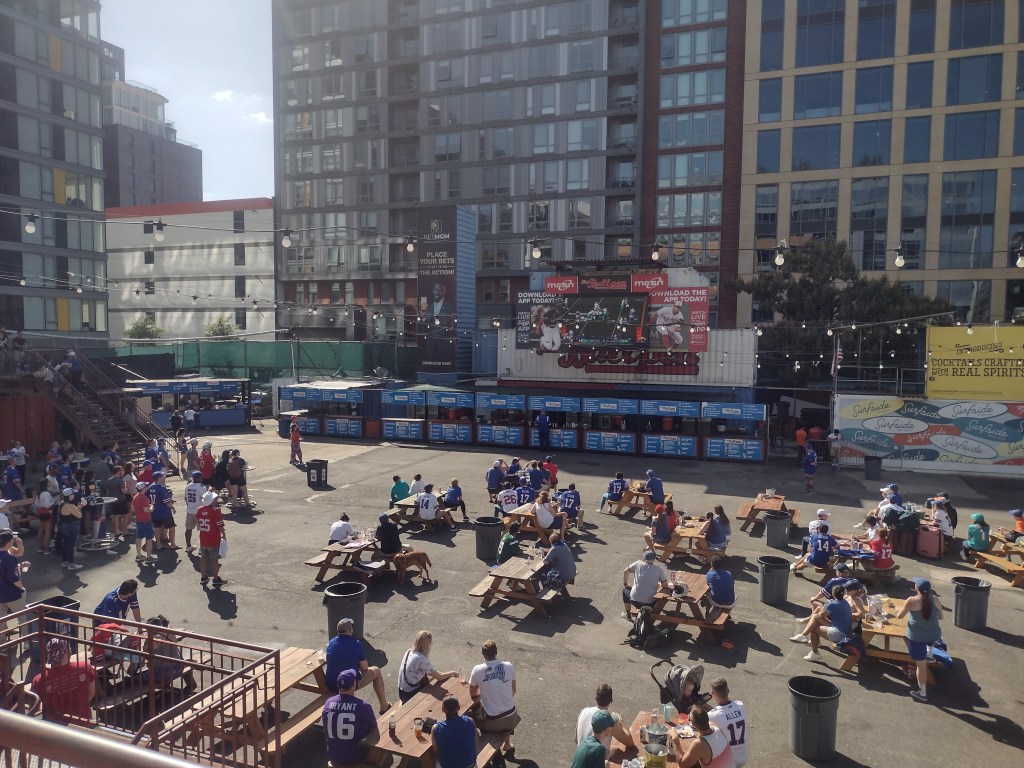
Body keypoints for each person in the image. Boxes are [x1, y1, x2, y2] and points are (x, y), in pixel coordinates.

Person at [325, 618, 391, 714]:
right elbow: (364, 668)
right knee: (376, 670)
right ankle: (384, 706)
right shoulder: (356, 644)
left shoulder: (331, 643)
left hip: (331, 683)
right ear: (350, 630)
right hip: (347, 684)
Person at [31, 637, 97, 726]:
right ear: (67, 651)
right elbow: (91, 692)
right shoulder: (85, 667)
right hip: (83, 723)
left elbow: (35, 706)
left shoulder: (39, 680)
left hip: (55, 726)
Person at [897, 578, 943, 703]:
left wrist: (899, 610)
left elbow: (900, 616)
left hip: (917, 637)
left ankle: (922, 693)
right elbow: (941, 617)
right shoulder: (935, 599)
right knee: (930, 639)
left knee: (921, 666)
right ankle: (929, 654)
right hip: (934, 635)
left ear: (917, 588)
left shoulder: (912, 600)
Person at [469, 640, 520, 752]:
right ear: (496, 652)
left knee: (470, 718)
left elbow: (472, 693)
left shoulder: (477, 669)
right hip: (512, 716)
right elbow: (513, 690)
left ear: (482, 654)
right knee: (505, 712)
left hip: (493, 722)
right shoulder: (509, 666)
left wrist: (486, 692)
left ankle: (486, 747)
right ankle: (507, 744)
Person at [323, 669, 378, 767]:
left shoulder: (328, 703)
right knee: (377, 736)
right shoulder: (363, 706)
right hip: (356, 756)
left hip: (334, 755)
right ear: (354, 684)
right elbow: (374, 727)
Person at [790, 585, 853, 662]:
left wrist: (826, 605)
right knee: (816, 616)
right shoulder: (845, 602)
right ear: (843, 593)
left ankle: (814, 652)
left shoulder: (832, 603)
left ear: (833, 593)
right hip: (846, 631)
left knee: (814, 627)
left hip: (838, 634)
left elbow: (822, 616)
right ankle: (805, 636)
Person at [397, 630, 457, 703]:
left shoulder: (410, 651)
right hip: (409, 694)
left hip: (401, 691)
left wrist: (437, 674)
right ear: (427, 645)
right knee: (439, 694)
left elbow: (433, 672)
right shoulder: (422, 659)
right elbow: (439, 677)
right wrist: (453, 673)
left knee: (427, 676)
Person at [575, 684, 634, 759]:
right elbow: (630, 743)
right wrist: (621, 722)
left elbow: (576, 739)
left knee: (612, 748)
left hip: (580, 757)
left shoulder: (583, 711)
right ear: (611, 700)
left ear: (596, 698)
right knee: (618, 750)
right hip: (596, 762)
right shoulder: (608, 721)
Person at [670, 705, 734, 768]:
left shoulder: (699, 744)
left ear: (692, 723)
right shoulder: (716, 727)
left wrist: (675, 739)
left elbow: (682, 765)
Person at [707, 677, 749, 768]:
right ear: (728, 691)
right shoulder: (740, 705)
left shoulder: (711, 716)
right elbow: (725, 714)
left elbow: (705, 724)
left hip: (727, 761)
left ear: (713, 694)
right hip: (743, 757)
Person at [432, 694, 477, 768]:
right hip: (471, 765)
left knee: (435, 759)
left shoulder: (436, 728)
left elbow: (436, 751)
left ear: (443, 709)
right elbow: (475, 743)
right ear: (458, 708)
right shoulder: (470, 721)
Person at [621, 549, 668, 619]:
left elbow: (625, 571)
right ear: (654, 559)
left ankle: (628, 614)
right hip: (650, 603)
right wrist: (658, 584)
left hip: (634, 600)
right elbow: (665, 585)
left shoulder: (638, 563)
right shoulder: (658, 569)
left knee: (624, 590)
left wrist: (625, 583)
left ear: (644, 558)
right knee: (659, 592)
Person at [195, 491, 226, 587]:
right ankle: (216, 578)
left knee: (203, 558)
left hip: (203, 538)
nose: (216, 500)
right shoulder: (215, 510)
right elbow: (220, 525)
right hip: (213, 539)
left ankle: (203, 577)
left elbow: (198, 520)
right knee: (214, 559)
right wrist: (224, 535)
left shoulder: (200, 509)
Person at [147, 472, 180, 550]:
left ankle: (158, 545)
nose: (163, 478)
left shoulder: (150, 487)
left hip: (154, 512)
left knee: (157, 528)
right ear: (159, 478)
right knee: (171, 526)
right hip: (164, 512)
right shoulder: (161, 488)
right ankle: (173, 544)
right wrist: (172, 508)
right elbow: (167, 502)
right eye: (162, 477)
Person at [1, 530, 28, 620]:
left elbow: (4, 570)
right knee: (24, 621)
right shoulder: (9, 558)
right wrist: (22, 589)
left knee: (1, 623)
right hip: (13, 595)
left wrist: (20, 566)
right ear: (8, 542)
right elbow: (15, 579)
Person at [57, 487, 84, 571]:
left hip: (63, 526)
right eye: (72, 494)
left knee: (66, 544)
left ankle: (65, 562)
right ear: (68, 496)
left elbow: (72, 511)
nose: (73, 495)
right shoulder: (70, 505)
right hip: (71, 526)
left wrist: (80, 506)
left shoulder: (61, 504)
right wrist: (81, 507)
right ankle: (71, 564)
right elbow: (79, 515)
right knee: (71, 545)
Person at [132, 481, 156, 564]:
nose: (147, 487)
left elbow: (133, 508)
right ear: (143, 488)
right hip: (146, 521)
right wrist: (152, 508)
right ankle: (149, 557)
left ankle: (139, 555)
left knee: (139, 537)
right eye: (145, 486)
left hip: (138, 520)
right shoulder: (144, 498)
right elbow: (146, 510)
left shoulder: (135, 496)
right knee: (149, 539)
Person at [104, 466, 129, 539]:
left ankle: (116, 531)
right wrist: (130, 491)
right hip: (121, 500)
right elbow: (124, 491)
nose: (123, 471)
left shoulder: (109, 480)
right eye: (121, 470)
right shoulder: (120, 481)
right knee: (126, 514)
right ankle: (125, 530)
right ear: (119, 471)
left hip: (112, 500)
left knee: (115, 515)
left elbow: (107, 491)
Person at [183, 471, 205, 554]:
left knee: (188, 529)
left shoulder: (188, 486)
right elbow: (205, 499)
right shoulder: (201, 487)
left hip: (190, 511)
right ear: (200, 478)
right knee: (202, 530)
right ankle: (202, 548)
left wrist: (190, 506)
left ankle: (188, 546)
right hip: (199, 511)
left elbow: (186, 499)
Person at [34, 479, 55, 554]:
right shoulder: (46, 493)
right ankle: (46, 549)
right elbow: (47, 505)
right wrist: (53, 501)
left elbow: (36, 504)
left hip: (41, 513)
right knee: (47, 532)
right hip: (47, 513)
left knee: (41, 530)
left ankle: (40, 547)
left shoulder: (39, 493)